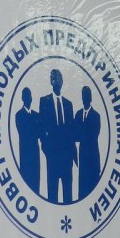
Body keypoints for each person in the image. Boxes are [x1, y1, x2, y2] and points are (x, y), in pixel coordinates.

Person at [39, 69, 77, 203]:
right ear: (51, 82)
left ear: (62, 82)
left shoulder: (68, 104)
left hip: (67, 157)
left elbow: (71, 131)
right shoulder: (44, 101)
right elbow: (42, 129)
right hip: (53, 157)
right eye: (54, 79)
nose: (57, 81)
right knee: (52, 195)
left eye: (59, 79)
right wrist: (47, 150)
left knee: (68, 195)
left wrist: (72, 155)